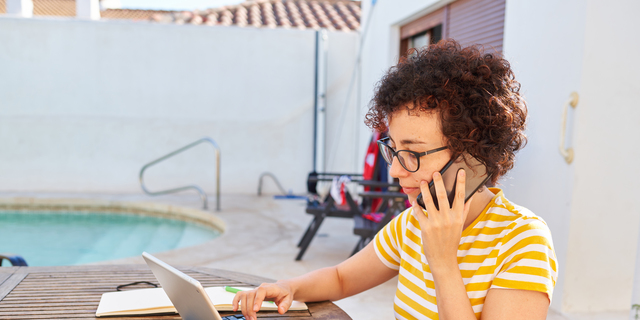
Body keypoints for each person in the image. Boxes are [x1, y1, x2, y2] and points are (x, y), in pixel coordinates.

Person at [232, 39, 557, 320]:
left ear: (472, 156)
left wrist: (442, 260)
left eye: (413, 153)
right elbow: (342, 278)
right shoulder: (412, 223)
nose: (396, 171)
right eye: (394, 149)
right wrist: (289, 287)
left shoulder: (522, 242)